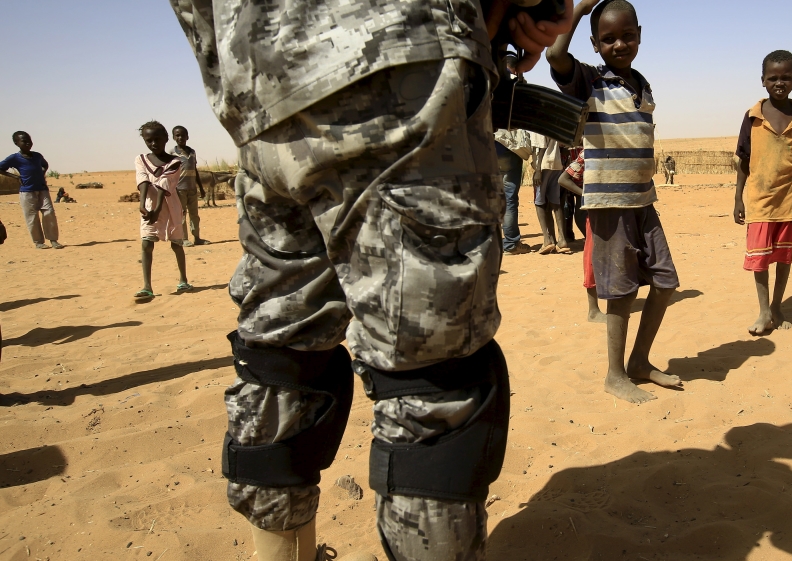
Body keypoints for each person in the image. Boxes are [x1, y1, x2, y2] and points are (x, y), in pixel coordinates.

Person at [169, 1, 574, 560]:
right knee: (433, 379)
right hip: (396, 59)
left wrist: (237, 74)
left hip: (260, 88)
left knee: (281, 355)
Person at [548, 0, 682, 404]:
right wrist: (582, 6)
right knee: (621, 293)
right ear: (594, 44)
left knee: (665, 282)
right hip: (609, 204)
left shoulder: (642, 82)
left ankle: (640, 361)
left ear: (640, 35)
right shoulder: (589, 80)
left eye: (627, 35)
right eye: (608, 39)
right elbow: (555, 55)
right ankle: (614, 374)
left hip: (644, 202)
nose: (619, 44)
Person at [733, 50, 792, 336]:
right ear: (763, 81)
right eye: (774, 78)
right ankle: (764, 311)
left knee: (783, 256)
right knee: (760, 258)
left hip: (788, 199)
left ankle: (777, 307)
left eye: (786, 78)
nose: (780, 83)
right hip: (758, 199)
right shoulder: (753, 116)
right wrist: (737, 198)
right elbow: (743, 159)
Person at [134, 121, 192, 301]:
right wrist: (142, 204)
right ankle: (147, 286)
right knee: (146, 243)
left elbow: (164, 185)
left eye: (157, 139)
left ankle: (183, 280)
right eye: (148, 140)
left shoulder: (175, 162)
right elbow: (143, 181)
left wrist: (157, 209)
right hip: (150, 207)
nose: (153, 144)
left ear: (166, 139)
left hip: (170, 206)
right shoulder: (140, 159)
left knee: (177, 243)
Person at [558, 148, 605, 323]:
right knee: (592, 256)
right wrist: (587, 195)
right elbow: (563, 179)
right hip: (594, 212)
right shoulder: (590, 152)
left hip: (615, 210)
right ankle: (593, 309)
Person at [0, 132, 63, 249]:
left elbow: (45, 165)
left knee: (49, 213)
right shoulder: (14, 158)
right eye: (24, 141)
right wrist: (16, 177)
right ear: (16, 143)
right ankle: (38, 242)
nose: (28, 143)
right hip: (27, 191)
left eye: (30, 140)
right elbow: (1, 168)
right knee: (32, 217)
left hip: (42, 189)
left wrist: (42, 173)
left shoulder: (37, 156)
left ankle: (53, 240)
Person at [495, 128, 532, 255]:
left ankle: (490, 243)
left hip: (485, 151)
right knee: (508, 199)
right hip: (508, 150)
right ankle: (511, 243)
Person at [533, 136, 573, 254]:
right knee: (555, 202)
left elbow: (541, 146)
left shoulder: (538, 123)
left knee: (539, 201)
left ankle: (547, 240)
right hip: (556, 164)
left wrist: (538, 170)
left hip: (544, 165)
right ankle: (562, 240)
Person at [170, 125, 209, 246]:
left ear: (187, 136)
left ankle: (197, 238)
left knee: (194, 215)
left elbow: (195, 169)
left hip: (192, 189)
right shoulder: (172, 153)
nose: (180, 137)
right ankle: (184, 239)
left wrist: (201, 188)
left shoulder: (192, 152)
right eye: (177, 135)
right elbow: (170, 172)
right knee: (181, 215)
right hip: (179, 189)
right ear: (173, 137)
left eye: (183, 135)